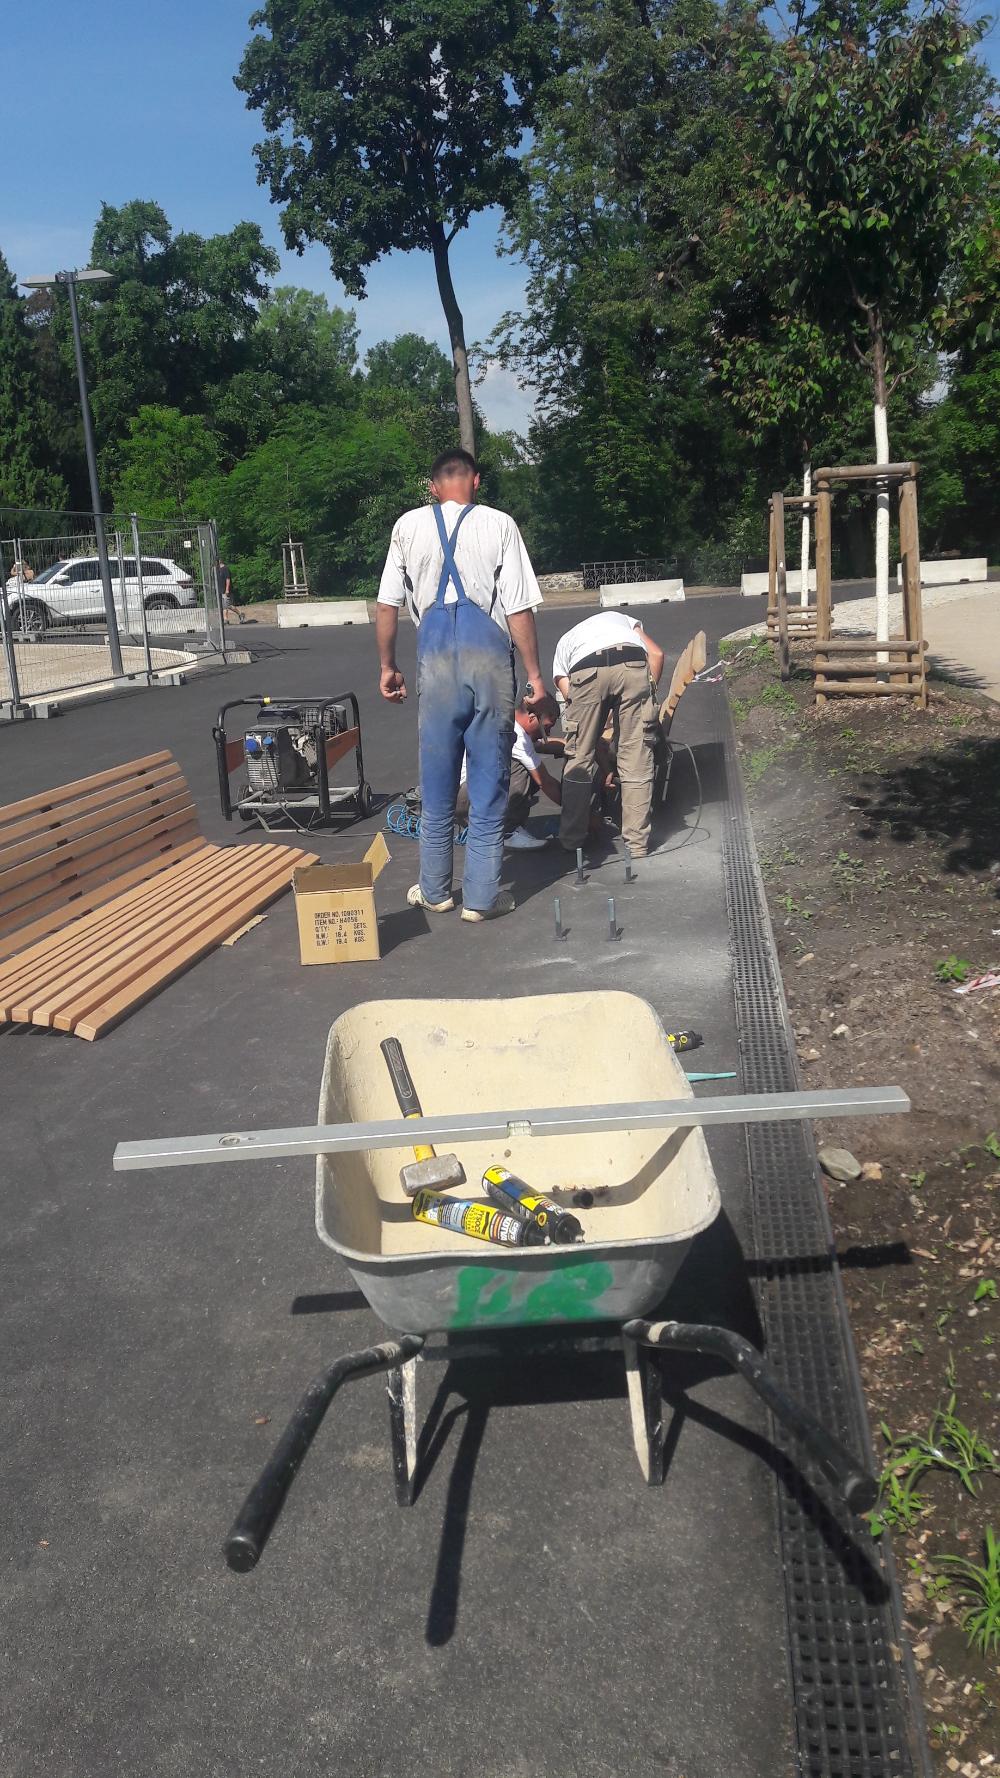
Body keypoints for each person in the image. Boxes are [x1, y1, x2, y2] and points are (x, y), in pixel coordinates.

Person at [376, 448, 556, 922]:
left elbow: (387, 606)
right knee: (488, 779)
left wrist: (387, 667)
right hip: (488, 663)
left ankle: (435, 890)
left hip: (434, 666)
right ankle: (481, 898)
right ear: (475, 481)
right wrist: (536, 678)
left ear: (433, 487)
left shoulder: (407, 527)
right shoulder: (500, 524)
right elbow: (518, 609)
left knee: (436, 782)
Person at [553, 609, 665, 860]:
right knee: (636, 758)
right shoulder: (623, 619)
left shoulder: (565, 643)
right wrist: (647, 702)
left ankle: (572, 840)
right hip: (633, 664)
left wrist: (595, 729)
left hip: (585, 669)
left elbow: (571, 696)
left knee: (579, 757)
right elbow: (657, 654)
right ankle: (637, 845)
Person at [456, 704, 563, 850]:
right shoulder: (518, 738)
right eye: (547, 726)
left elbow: (541, 745)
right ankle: (508, 832)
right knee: (526, 769)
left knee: (525, 767)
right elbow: (546, 783)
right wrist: (578, 813)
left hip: (464, 793)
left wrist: (575, 746)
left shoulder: (508, 723)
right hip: (467, 797)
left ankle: (491, 824)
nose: (548, 733)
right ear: (532, 718)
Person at [217, 558, 245, 624]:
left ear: (219, 561)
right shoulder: (217, 570)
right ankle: (227, 619)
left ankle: (239, 614)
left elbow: (228, 579)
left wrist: (227, 589)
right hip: (220, 591)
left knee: (227, 605)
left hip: (225, 590)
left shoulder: (225, 568)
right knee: (225, 606)